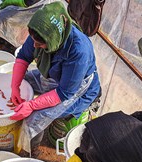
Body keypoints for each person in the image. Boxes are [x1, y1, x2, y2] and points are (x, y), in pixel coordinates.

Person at [6, 1, 101, 153]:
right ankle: (23, 134)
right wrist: (15, 87)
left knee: (35, 117)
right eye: (33, 40)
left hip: (77, 89)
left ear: (53, 40)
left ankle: (28, 151)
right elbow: (23, 56)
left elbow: (64, 93)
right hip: (53, 75)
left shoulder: (78, 51)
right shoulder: (40, 30)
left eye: (40, 43)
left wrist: (31, 105)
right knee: (21, 82)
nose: (35, 45)